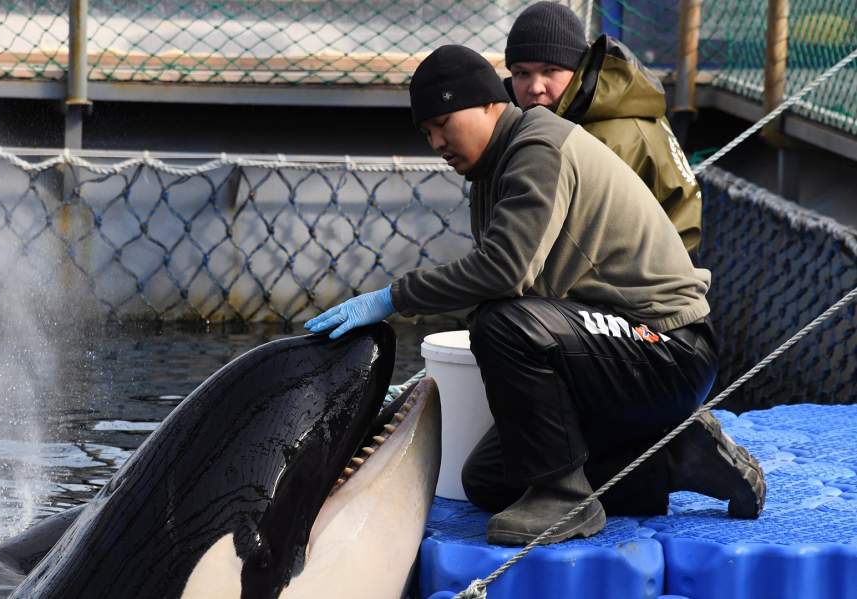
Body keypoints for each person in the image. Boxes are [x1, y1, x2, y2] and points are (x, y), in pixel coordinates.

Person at [305, 45, 764, 545]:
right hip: (612, 347)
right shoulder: (492, 168)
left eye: (443, 121)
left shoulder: (538, 147)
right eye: (425, 132)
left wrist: (392, 298)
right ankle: (679, 459)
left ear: (488, 104)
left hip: (669, 348)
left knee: (502, 322)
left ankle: (565, 500)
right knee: (487, 481)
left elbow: (505, 272)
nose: (436, 140)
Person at [503, 1, 702, 253]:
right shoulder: (558, 118)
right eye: (521, 73)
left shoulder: (610, 136)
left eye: (550, 70)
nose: (535, 87)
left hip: (645, 278)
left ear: (578, 70)